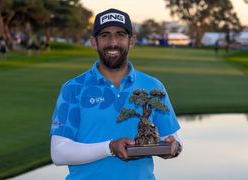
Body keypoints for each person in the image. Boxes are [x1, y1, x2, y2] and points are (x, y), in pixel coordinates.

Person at [50, 8, 182, 180]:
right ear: (94, 42)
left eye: (120, 35)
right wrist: (110, 147)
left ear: (131, 41)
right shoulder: (73, 88)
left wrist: (173, 148)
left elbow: (174, 140)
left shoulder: (153, 86)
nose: (113, 42)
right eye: (105, 35)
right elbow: (59, 152)